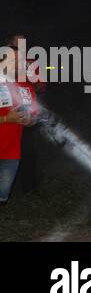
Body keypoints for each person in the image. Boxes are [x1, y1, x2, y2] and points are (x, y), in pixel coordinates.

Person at [0, 41, 39, 206]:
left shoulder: (26, 88)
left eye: (19, 61)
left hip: (11, 152)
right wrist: (7, 119)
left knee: (2, 194)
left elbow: (34, 117)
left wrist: (29, 120)